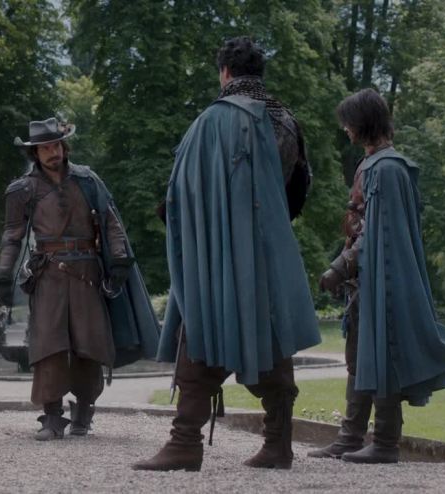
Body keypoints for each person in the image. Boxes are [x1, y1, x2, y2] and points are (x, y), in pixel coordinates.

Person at [133, 37, 319, 472]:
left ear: (225, 73)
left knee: (201, 330)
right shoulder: (286, 120)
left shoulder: (210, 121)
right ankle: (278, 444)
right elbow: (297, 190)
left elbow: (182, 193)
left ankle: (185, 442)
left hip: (218, 252)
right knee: (271, 336)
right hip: (267, 252)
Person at [310, 88, 445, 463]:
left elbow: (377, 235)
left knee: (385, 353)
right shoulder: (373, 164)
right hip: (366, 281)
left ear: (364, 122)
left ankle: (384, 442)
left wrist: (339, 267)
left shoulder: (387, 169)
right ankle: (350, 437)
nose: (345, 129)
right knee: (359, 357)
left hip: (384, 281)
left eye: (349, 122)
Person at [0, 117, 159, 441]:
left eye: (55, 145)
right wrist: (2, 274)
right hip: (48, 274)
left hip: (87, 273)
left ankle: (84, 410)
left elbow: (111, 222)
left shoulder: (87, 179)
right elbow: (12, 235)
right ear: (35, 153)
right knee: (48, 346)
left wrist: (119, 261)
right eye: (44, 148)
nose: (52, 152)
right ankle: (52, 417)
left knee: (89, 343)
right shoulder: (23, 189)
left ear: (64, 146)